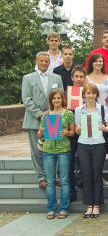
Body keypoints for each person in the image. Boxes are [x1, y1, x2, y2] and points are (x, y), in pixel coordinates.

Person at [22, 52, 64, 189]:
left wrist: (52, 113)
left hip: (53, 118)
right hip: (35, 119)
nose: (44, 63)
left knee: (54, 147)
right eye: (42, 61)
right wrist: (40, 114)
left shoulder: (56, 77)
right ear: (36, 61)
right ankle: (41, 177)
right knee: (37, 150)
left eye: (46, 61)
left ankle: (55, 177)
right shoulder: (28, 78)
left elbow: (61, 96)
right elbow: (26, 99)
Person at [74, 83, 108, 218]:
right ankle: (88, 205)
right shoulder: (79, 109)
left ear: (96, 95)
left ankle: (97, 205)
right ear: (84, 94)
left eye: (93, 93)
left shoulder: (102, 108)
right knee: (86, 175)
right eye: (88, 93)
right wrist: (77, 129)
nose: (90, 96)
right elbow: (76, 129)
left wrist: (104, 128)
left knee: (97, 175)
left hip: (98, 144)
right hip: (83, 144)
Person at [37, 89, 74, 219]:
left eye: (59, 98)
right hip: (48, 150)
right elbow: (39, 134)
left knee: (64, 180)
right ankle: (51, 208)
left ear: (62, 99)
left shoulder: (68, 114)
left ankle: (64, 208)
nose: (56, 100)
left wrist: (66, 133)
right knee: (50, 181)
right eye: (54, 98)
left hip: (64, 149)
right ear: (51, 100)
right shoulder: (46, 115)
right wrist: (41, 131)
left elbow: (73, 132)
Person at [68, 65, 87, 201]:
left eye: (81, 77)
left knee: (84, 162)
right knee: (69, 162)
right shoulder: (65, 93)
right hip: (70, 132)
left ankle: (84, 187)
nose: (79, 79)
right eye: (76, 76)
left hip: (84, 131)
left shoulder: (88, 93)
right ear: (72, 78)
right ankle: (71, 191)